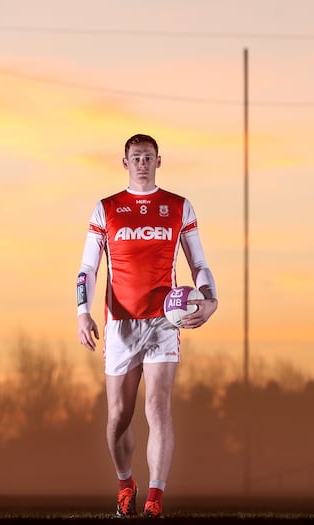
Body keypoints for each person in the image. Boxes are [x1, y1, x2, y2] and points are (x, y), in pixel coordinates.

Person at [76, 134, 218, 518]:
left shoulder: (178, 206)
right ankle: (127, 485)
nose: (142, 163)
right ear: (125, 162)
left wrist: (211, 300)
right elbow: (89, 268)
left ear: (159, 161)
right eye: (135, 157)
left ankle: (155, 499)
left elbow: (199, 264)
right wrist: (82, 311)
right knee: (118, 416)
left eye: (148, 157)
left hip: (163, 323)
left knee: (157, 406)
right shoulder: (106, 208)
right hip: (120, 323)